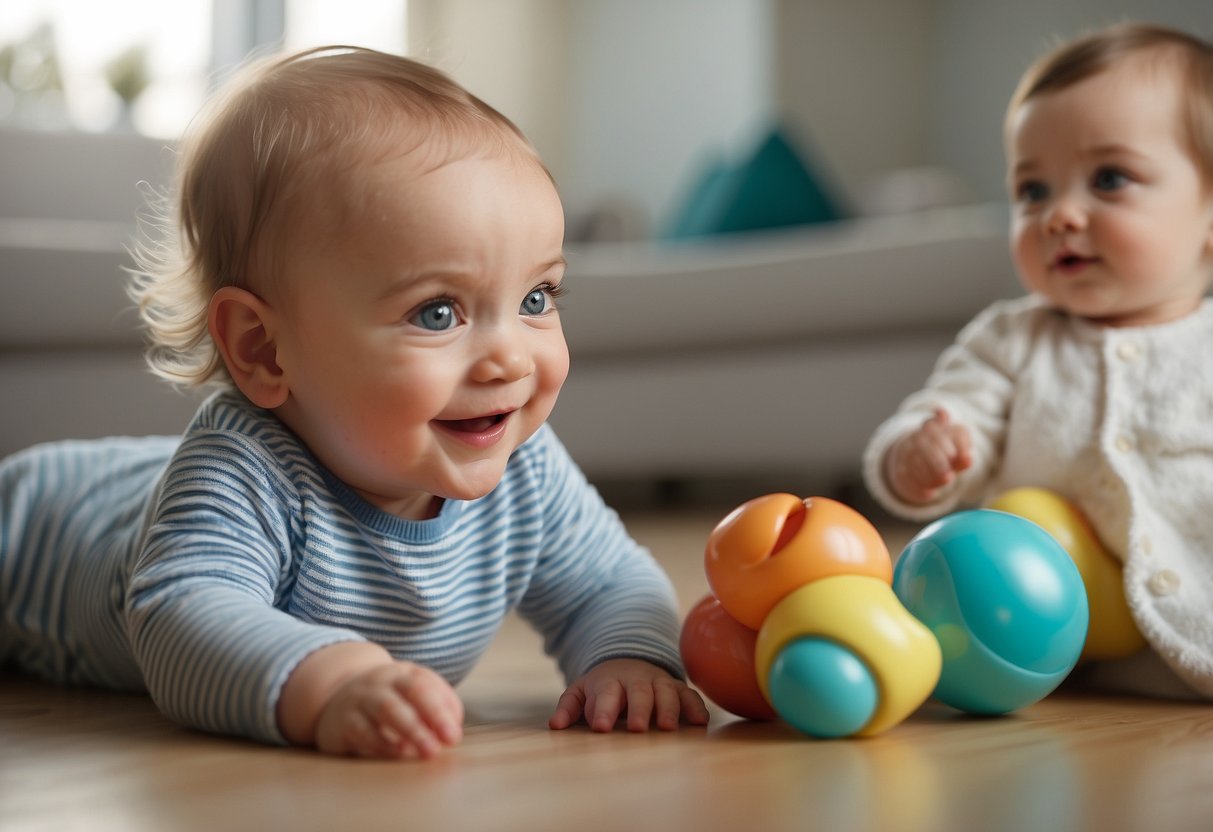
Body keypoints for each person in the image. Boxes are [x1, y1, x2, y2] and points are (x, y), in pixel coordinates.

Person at [0, 45, 709, 759]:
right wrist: (329, 682)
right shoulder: (243, 471)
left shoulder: (525, 469)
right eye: (438, 313)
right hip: (36, 525)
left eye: (535, 299)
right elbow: (180, 616)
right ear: (262, 350)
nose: (509, 359)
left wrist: (629, 659)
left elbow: (607, 580)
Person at [862, 22, 1213, 699]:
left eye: (1108, 179)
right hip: (1039, 640)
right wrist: (917, 456)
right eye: (1032, 191)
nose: (1057, 216)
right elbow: (948, 411)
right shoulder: (1010, 341)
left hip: (1194, 609)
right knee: (1006, 521)